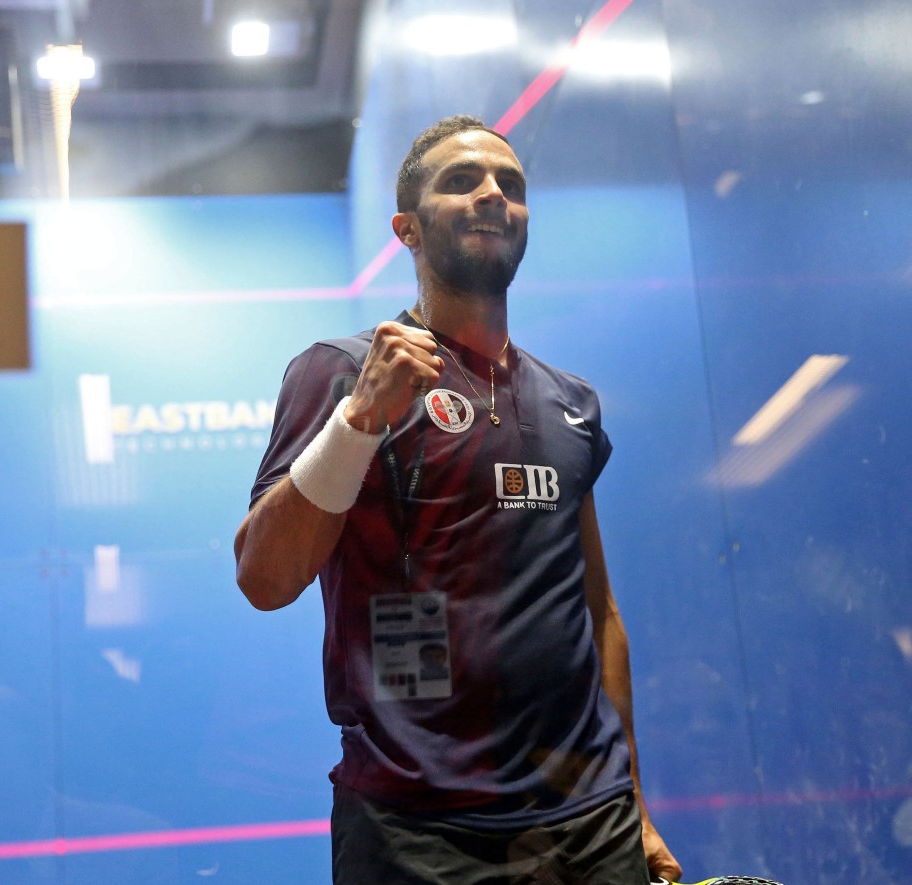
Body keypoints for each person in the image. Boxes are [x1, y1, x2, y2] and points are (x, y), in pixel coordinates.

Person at [235, 114, 682, 884]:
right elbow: (264, 579)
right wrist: (361, 418)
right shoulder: (342, 372)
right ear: (406, 228)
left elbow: (599, 610)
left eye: (510, 184)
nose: (492, 194)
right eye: (462, 181)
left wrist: (634, 802)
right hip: (413, 830)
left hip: (589, 822)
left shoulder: (571, 402)